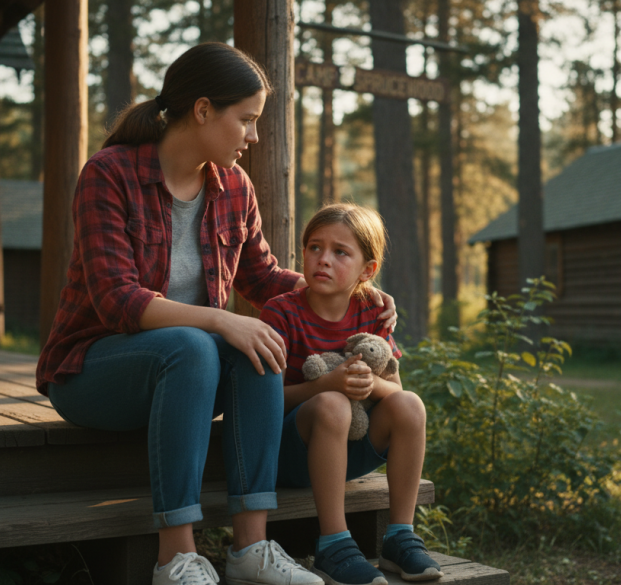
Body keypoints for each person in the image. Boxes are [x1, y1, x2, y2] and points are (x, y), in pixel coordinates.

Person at [34, 43, 395, 585]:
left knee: (252, 338)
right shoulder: (108, 174)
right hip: (92, 369)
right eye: (246, 120)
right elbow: (117, 299)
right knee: (201, 340)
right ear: (203, 110)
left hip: (186, 370)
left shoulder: (233, 188)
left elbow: (263, 278)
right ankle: (175, 556)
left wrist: (351, 291)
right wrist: (221, 319)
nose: (253, 136)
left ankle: (251, 547)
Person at [260, 204, 444, 585]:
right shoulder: (281, 313)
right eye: (314, 247)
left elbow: (394, 390)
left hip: (350, 450)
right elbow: (261, 402)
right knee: (331, 403)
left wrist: (369, 383)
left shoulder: (371, 311)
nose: (323, 259)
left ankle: (399, 536)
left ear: (368, 270)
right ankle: (333, 544)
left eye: (340, 252)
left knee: (409, 404)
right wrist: (323, 386)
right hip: (287, 454)